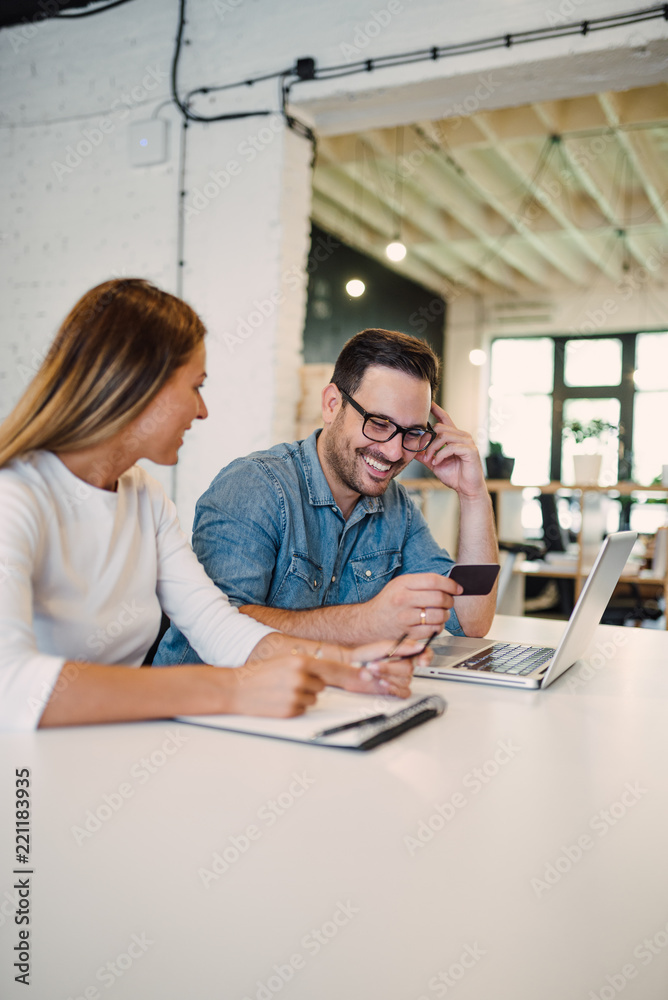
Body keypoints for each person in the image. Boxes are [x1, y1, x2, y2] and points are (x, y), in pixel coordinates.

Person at [0, 281, 421, 733]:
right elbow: (12, 684)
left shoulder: (144, 497)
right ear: (138, 386)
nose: (201, 411)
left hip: (104, 753)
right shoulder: (15, 498)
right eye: (196, 387)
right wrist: (234, 690)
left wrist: (347, 665)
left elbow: (215, 625)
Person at [157, 327, 497, 666]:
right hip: (200, 710)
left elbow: (471, 619)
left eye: (412, 432)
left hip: (317, 703)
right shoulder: (255, 486)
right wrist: (366, 622)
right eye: (378, 423)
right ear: (332, 405)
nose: (394, 451)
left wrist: (473, 494)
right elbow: (217, 629)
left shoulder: (397, 508)